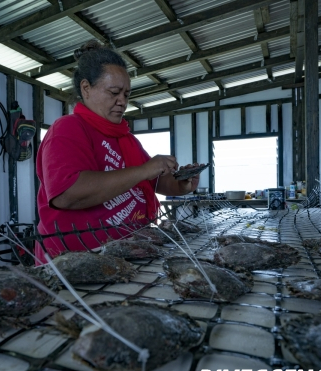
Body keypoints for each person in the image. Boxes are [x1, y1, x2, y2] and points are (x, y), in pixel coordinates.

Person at [35, 40, 200, 260]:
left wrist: (182, 184)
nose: (122, 101)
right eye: (114, 92)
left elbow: (151, 183)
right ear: (86, 88)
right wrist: (145, 169)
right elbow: (67, 195)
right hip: (76, 260)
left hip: (128, 253)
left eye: (126, 94)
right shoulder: (67, 129)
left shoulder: (126, 139)